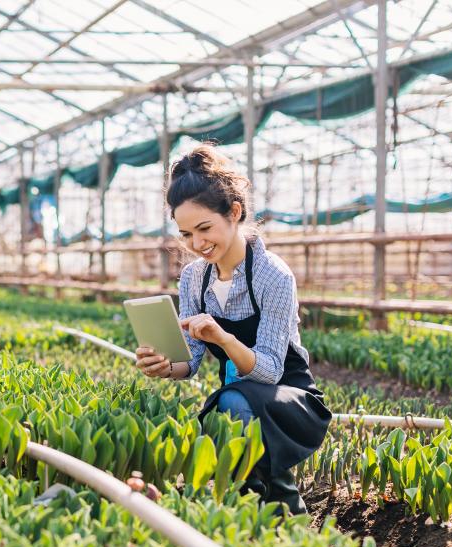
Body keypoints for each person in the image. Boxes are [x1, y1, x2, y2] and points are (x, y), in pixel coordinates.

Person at [135, 144, 331, 514]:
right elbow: (189, 362)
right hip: (239, 398)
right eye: (186, 234)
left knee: (231, 402)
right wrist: (164, 364)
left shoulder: (273, 275)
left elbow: (271, 372)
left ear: (235, 213)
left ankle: (286, 510)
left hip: (289, 399)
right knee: (229, 403)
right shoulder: (194, 278)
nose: (197, 244)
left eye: (204, 228)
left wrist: (223, 338)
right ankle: (253, 515)